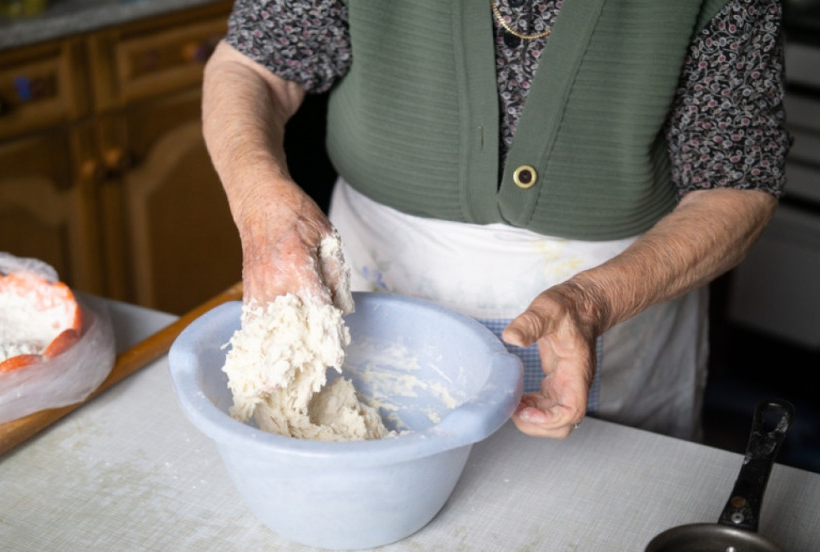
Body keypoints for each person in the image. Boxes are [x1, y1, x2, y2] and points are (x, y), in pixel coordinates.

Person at [201, 0, 789, 441]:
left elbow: (738, 186)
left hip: (621, 303)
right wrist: (261, 204)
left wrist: (592, 302)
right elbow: (253, 67)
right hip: (378, 280)